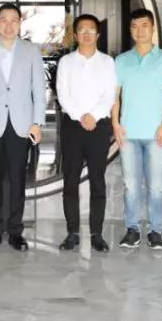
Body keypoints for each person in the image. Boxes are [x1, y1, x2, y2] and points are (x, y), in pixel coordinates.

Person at [0, 3, 46, 251]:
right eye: (4, 20)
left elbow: (39, 88)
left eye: (14, 20)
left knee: (17, 180)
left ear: (20, 23)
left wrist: (37, 122)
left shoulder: (31, 50)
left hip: (22, 125)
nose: (9, 25)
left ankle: (15, 231)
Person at [112, 8, 162, 250]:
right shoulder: (121, 61)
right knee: (130, 186)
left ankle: (155, 231)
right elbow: (115, 96)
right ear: (130, 30)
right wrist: (115, 124)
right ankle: (132, 229)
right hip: (128, 133)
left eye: (144, 25)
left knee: (156, 186)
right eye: (135, 26)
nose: (139, 31)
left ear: (152, 28)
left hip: (156, 133)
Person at [54, 13, 115, 253]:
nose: (87, 34)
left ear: (98, 35)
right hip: (73, 126)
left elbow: (110, 95)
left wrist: (94, 116)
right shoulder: (66, 62)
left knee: (98, 180)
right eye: (82, 30)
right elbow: (62, 94)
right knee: (70, 181)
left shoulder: (107, 62)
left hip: (99, 127)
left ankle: (96, 234)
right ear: (75, 34)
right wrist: (81, 116)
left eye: (91, 30)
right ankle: (73, 232)